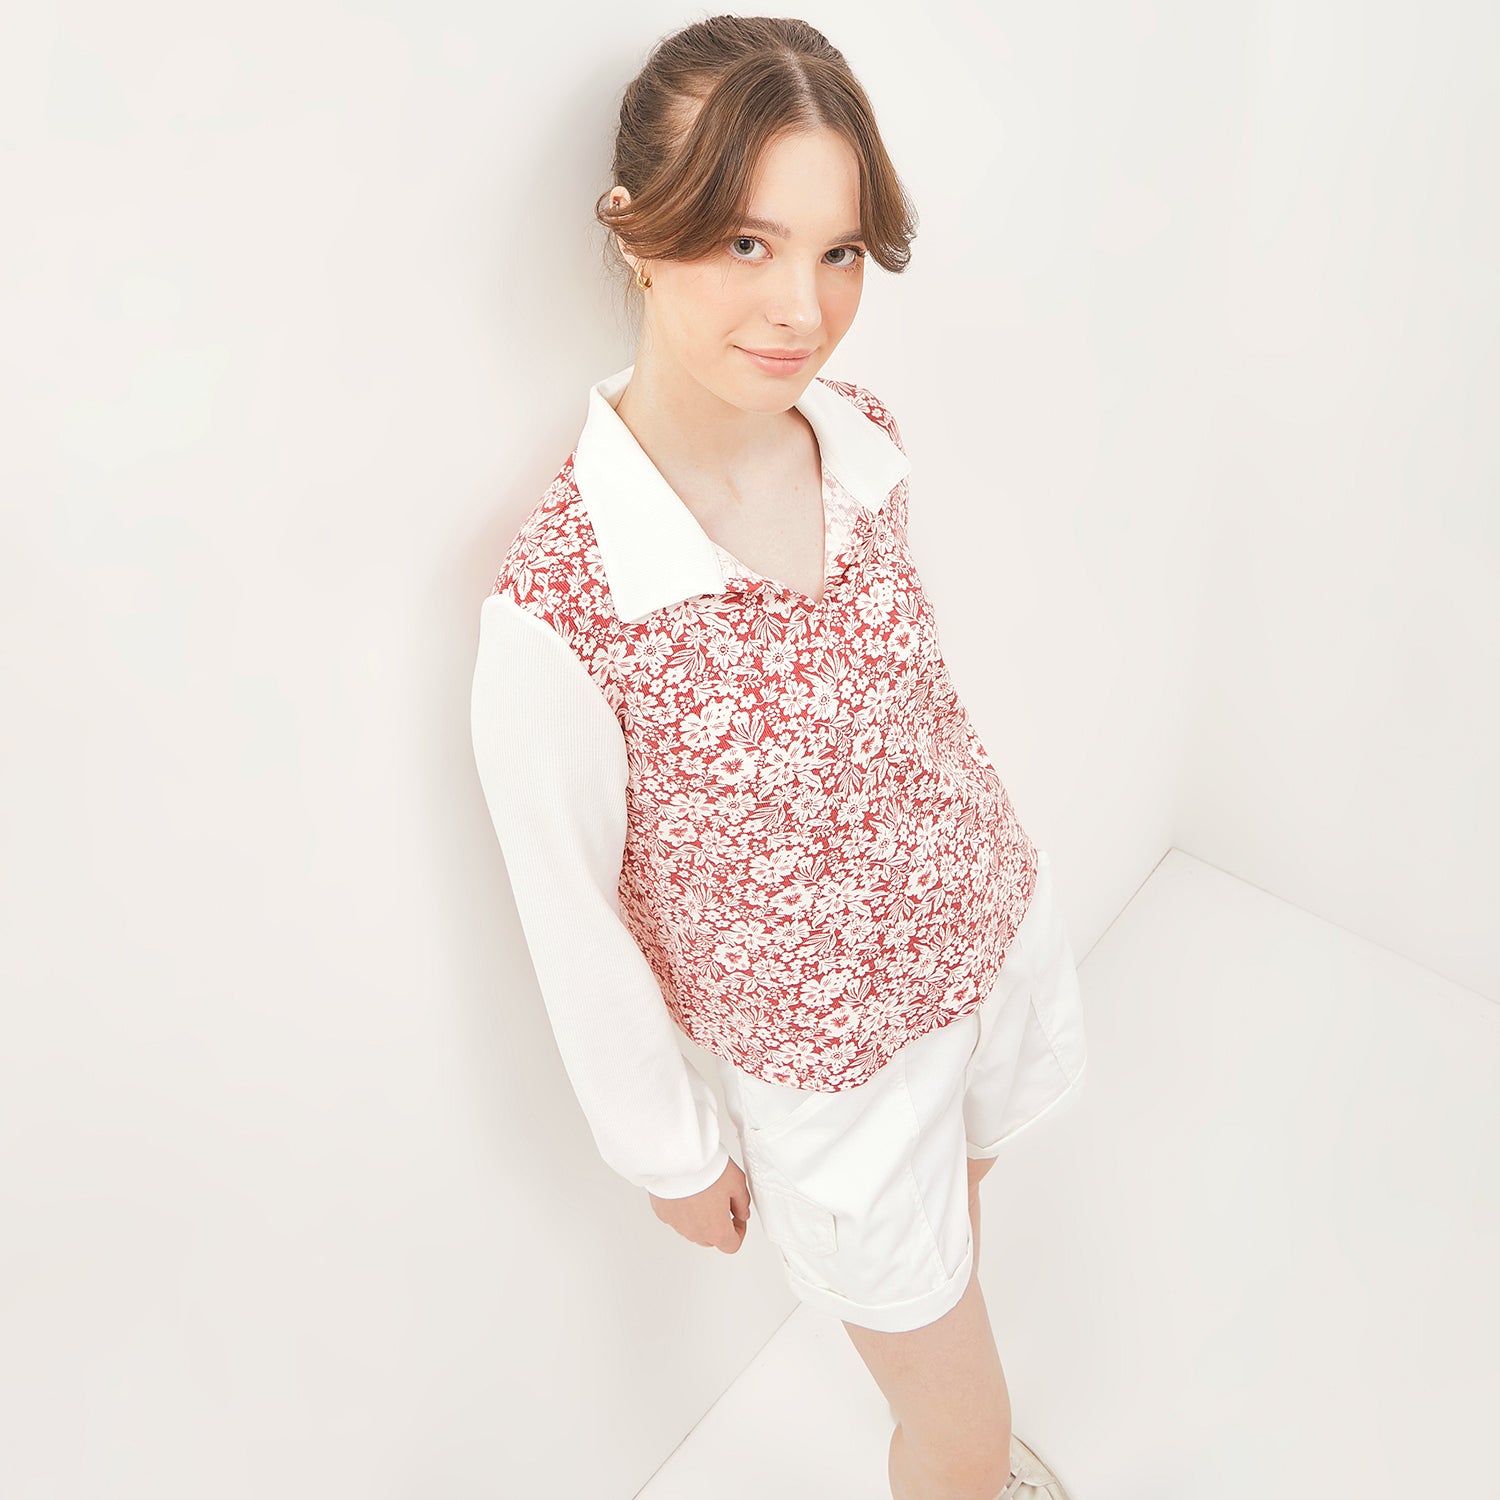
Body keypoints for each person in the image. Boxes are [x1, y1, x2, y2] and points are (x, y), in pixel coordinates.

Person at [469, 16, 1087, 1500]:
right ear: (634, 228)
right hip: (836, 1081)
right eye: (746, 243)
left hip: (984, 939)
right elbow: (569, 916)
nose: (802, 309)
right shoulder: (564, 609)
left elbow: (908, 706)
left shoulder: (860, 441)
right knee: (957, 1421)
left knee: (957, 1251)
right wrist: (670, 1152)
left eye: (838, 252)